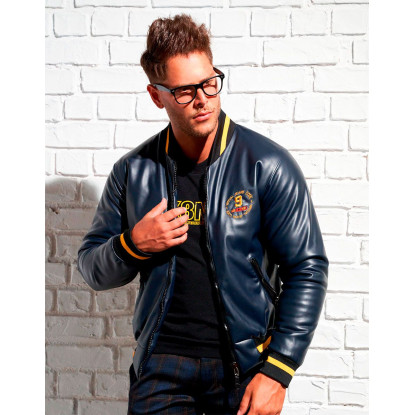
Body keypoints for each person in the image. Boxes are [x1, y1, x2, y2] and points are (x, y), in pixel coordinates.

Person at [78, 14, 329, 415]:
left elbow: (306, 268)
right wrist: (133, 244)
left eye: (209, 83)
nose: (202, 100)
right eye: (184, 91)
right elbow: (93, 269)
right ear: (156, 95)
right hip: (160, 369)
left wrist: (279, 369)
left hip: (244, 367)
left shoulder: (267, 165)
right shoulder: (133, 172)